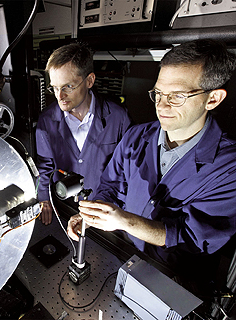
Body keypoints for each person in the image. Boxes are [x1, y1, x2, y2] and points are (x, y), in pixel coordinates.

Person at [67, 39, 236, 294]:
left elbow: (193, 237)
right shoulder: (137, 136)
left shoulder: (229, 168)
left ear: (212, 99)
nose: (161, 105)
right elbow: (111, 186)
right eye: (158, 93)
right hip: (124, 256)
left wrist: (124, 221)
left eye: (177, 96)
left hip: (176, 281)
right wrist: (92, 216)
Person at [36, 43, 131, 225]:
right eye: (54, 88)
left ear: (89, 81)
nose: (60, 96)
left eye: (68, 86)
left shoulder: (118, 117)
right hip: (65, 206)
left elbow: (126, 170)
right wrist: (44, 198)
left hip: (105, 208)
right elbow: (45, 165)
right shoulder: (47, 120)